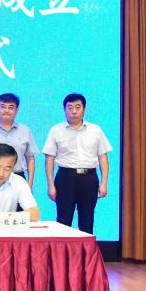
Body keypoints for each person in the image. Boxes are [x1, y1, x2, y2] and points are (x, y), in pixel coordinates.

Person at [42, 93, 112, 234]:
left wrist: (104, 183)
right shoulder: (56, 130)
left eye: (78, 107)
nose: (74, 111)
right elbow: (49, 159)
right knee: (63, 219)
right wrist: (50, 185)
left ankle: (86, 249)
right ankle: (62, 249)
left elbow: (103, 157)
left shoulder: (95, 130)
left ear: (84, 109)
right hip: (65, 177)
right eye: (70, 107)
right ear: (64, 110)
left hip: (89, 178)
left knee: (87, 219)